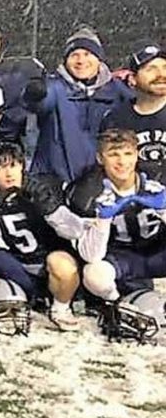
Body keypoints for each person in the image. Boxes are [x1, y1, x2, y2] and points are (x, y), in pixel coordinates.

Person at [0, 143, 84, 331]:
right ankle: (21, 297)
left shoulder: (42, 186)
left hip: (47, 263)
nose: (8, 174)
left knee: (62, 264)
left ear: (23, 165)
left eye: (13, 166)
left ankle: (60, 307)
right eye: (1, 167)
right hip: (16, 264)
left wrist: (50, 207)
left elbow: (75, 231)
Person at [72, 129, 166, 311]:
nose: (122, 162)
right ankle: (117, 304)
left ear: (137, 155)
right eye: (114, 154)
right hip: (119, 257)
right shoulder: (86, 192)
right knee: (94, 275)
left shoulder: (159, 179)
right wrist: (103, 218)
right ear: (100, 158)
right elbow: (91, 256)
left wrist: (163, 210)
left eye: (128, 154)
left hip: (158, 251)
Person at [25, 26, 132, 183]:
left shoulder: (117, 91)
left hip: (103, 182)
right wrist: (34, 93)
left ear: (99, 59)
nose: (81, 61)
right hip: (55, 181)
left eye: (87, 54)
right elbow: (39, 102)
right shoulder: (56, 87)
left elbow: (140, 110)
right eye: (74, 55)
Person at [100, 41, 166, 182]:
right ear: (132, 79)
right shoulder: (115, 120)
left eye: (165, 68)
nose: (161, 74)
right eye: (151, 69)